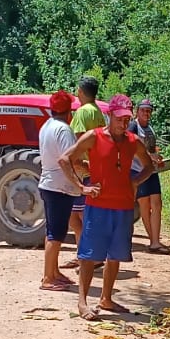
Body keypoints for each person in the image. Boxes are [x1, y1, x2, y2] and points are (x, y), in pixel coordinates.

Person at [66, 95, 155, 320]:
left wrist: (134, 182)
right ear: (109, 115)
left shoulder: (133, 141)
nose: (123, 124)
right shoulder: (93, 137)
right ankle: (82, 302)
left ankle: (106, 298)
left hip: (123, 208)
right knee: (88, 256)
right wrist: (81, 186)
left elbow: (149, 165)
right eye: (119, 119)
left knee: (115, 255)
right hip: (98, 207)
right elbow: (66, 159)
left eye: (126, 119)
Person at [38, 89, 82, 291]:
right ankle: (48, 277)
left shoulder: (47, 126)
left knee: (54, 231)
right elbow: (69, 160)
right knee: (56, 234)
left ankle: (54, 272)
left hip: (49, 184)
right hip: (59, 187)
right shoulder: (64, 130)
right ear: (69, 112)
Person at [66, 76, 107, 257]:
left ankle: (91, 256)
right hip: (95, 167)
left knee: (80, 216)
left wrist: (74, 160)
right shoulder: (98, 112)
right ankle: (81, 254)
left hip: (83, 170)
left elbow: (80, 138)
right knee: (77, 217)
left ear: (80, 92)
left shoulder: (83, 112)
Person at [130, 98, 170, 253]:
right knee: (145, 205)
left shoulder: (150, 128)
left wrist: (156, 156)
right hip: (138, 171)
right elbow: (131, 147)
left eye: (148, 111)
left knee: (157, 203)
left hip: (152, 170)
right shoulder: (133, 126)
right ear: (137, 111)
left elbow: (151, 149)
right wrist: (149, 155)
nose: (146, 113)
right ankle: (153, 241)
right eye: (143, 110)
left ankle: (155, 240)